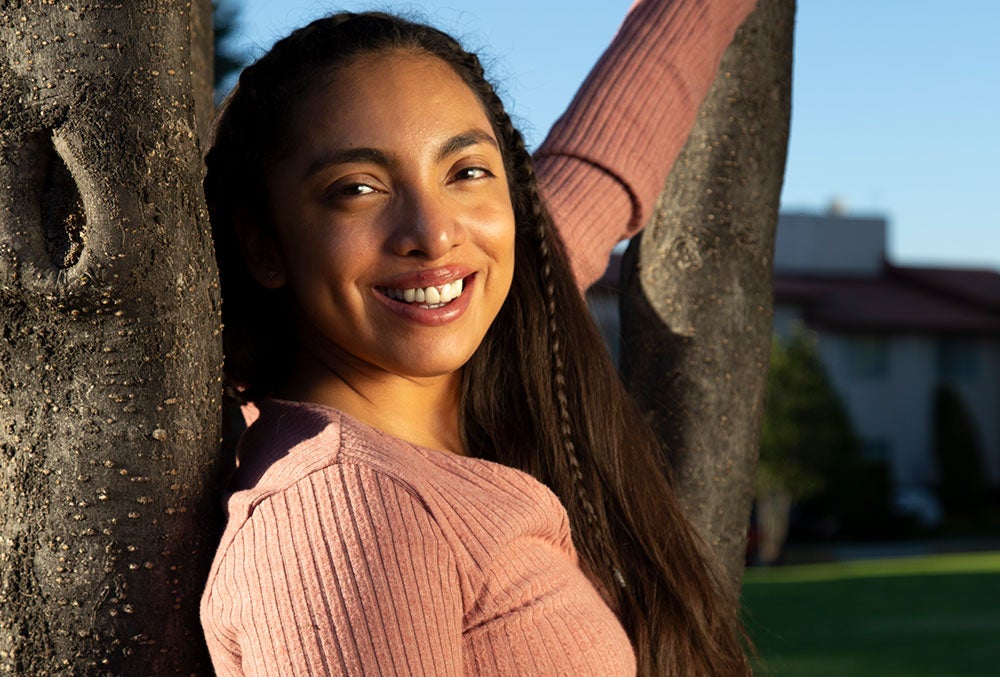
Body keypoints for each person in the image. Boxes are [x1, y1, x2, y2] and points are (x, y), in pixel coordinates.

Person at [200, 1, 757, 674]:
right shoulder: (345, 509)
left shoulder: (487, 352)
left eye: (465, 172)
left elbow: (605, 162)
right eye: (358, 188)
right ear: (264, 244)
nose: (435, 234)